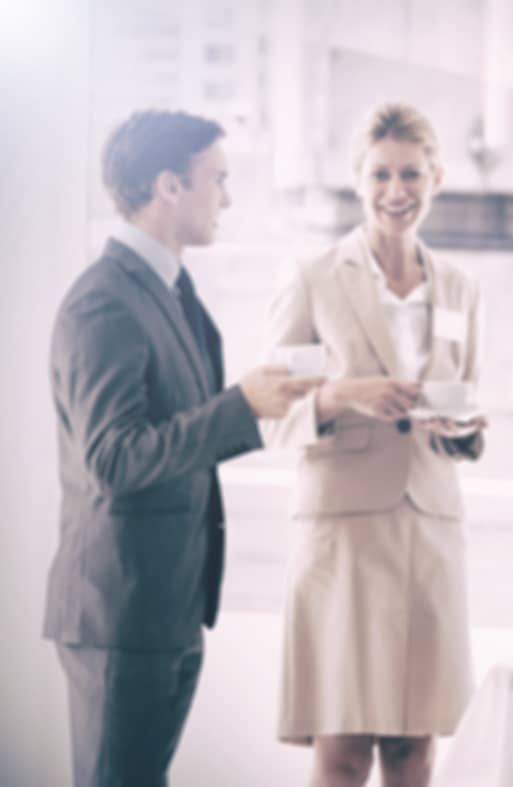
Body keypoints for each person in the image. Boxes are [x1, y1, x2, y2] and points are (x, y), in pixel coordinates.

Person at [45, 110, 318, 786]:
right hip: (120, 612)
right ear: (169, 185)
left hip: (165, 606)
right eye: (217, 179)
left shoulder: (170, 290)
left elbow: (177, 431)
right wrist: (240, 405)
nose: (226, 198)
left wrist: (262, 407)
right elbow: (114, 458)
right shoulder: (103, 303)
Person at [262, 102, 487, 787]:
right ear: (358, 178)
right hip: (346, 537)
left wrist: (468, 430)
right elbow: (275, 412)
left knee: (416, 747)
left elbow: (466, 392)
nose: (398, 190)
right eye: (382, 173)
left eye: (412, 173)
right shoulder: (315, 277)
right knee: (345, 747)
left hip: (430, 527)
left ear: (437, 177)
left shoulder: (459, 287)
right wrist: (344, 393)